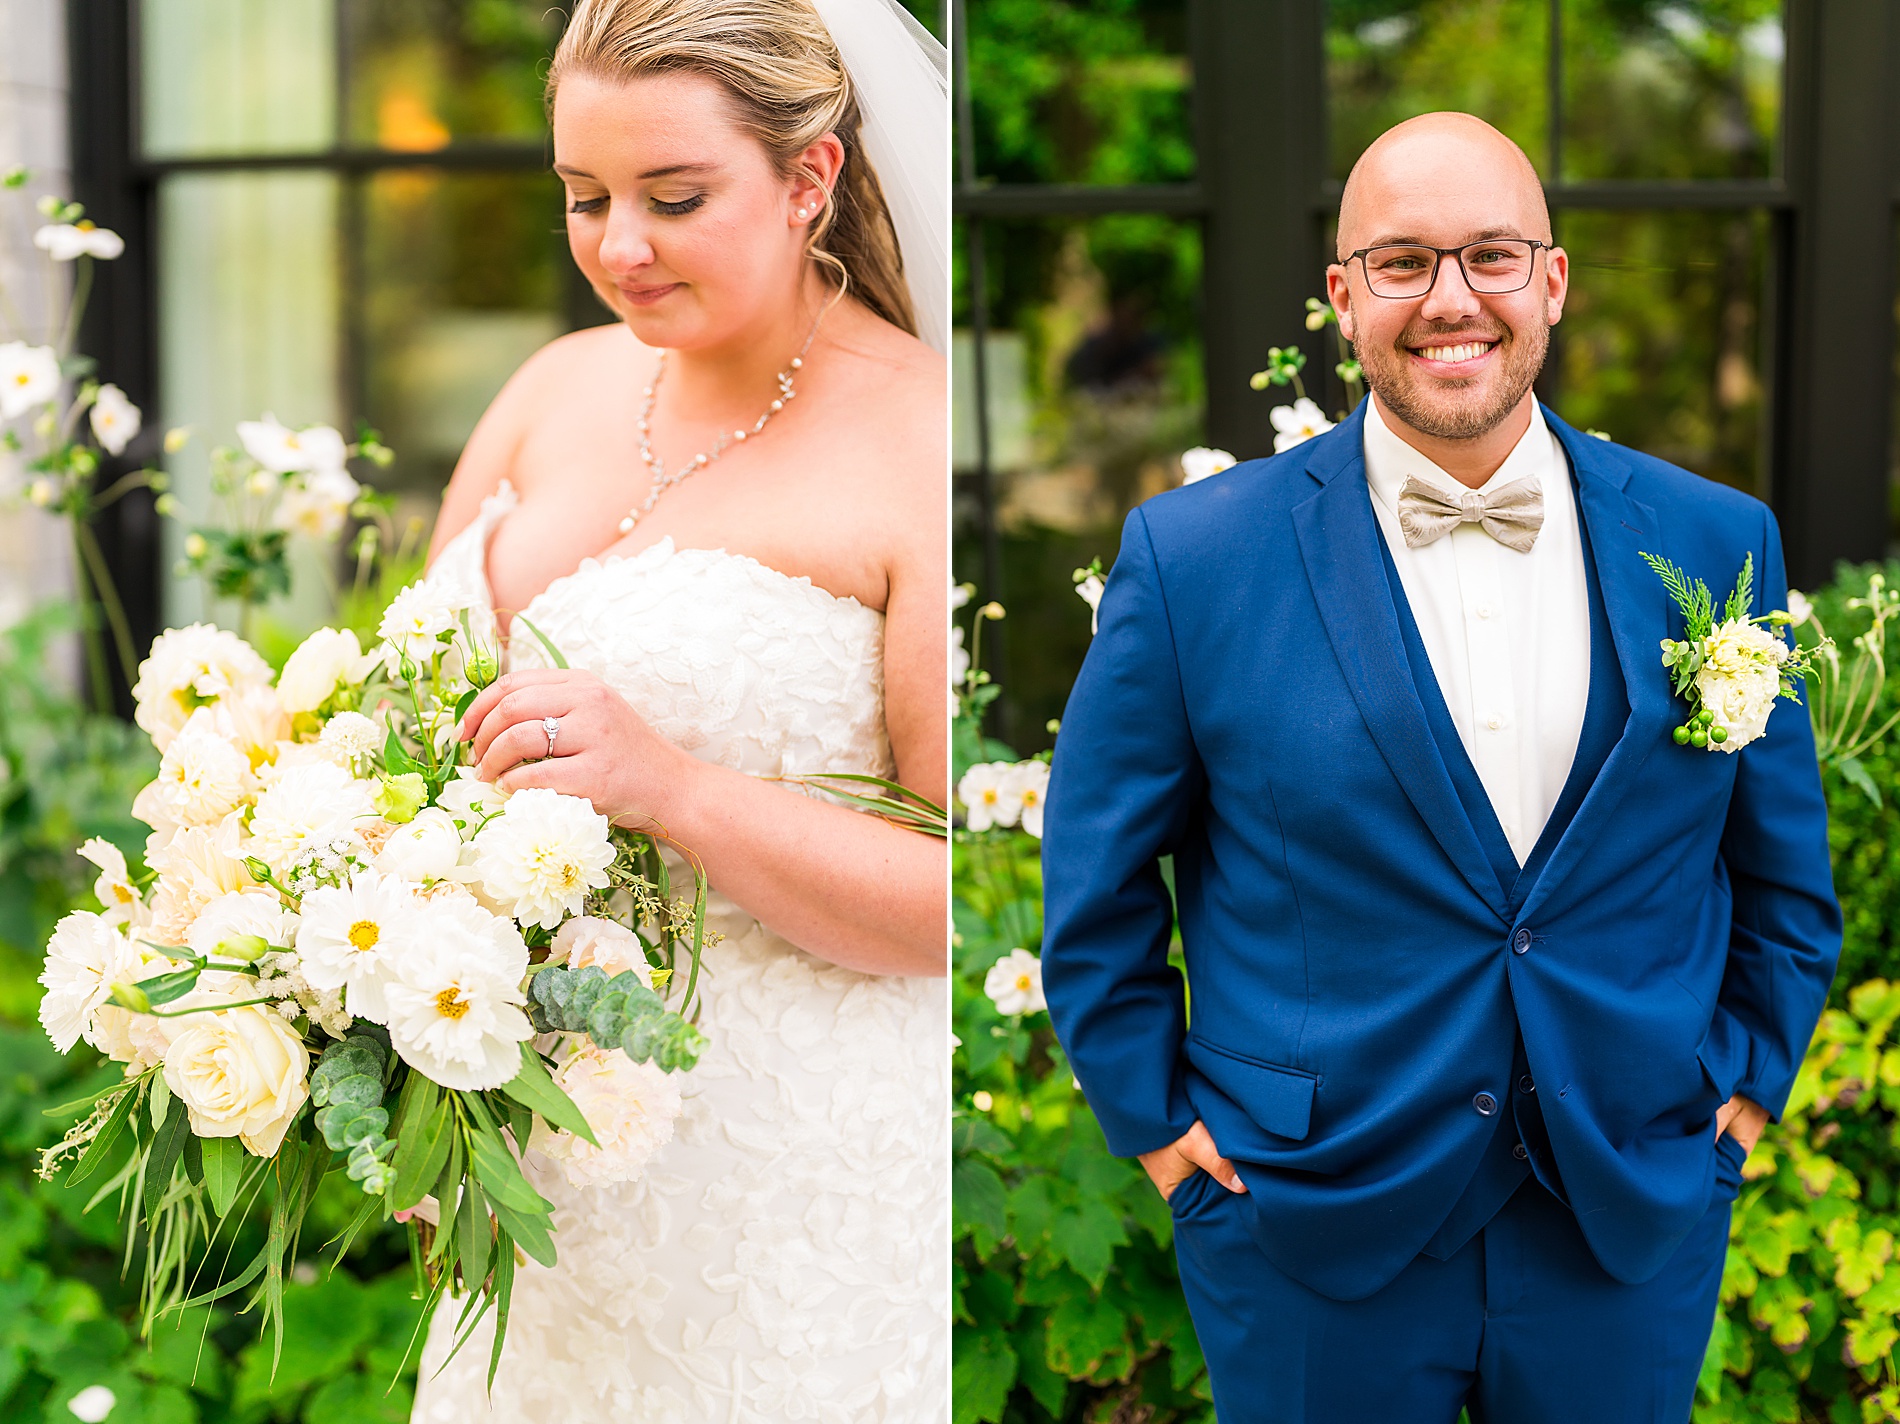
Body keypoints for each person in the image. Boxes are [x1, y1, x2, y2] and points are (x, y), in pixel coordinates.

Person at [1040, 112, 1840, 1422]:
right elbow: (1098, 878)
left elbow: (1781, 875)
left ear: (1554, 282)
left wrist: (1742, 1091)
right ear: (1343, 296)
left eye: (1492, 256)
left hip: (1625, 1210)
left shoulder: (1714, 540)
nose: (1451, 300)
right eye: (1404, 262)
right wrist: (1155, 1127)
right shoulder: (1194, 562)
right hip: (1304, 1219)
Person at [405, 2, 949, 1419]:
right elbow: (407, 748)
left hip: (780, 1197)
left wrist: (681, 790)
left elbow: (979, 897)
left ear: (810, 180)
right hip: (522, 1181)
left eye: (675, 197)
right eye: (585, 197)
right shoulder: (549, 390)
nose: (618, 247)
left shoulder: (916, 448)